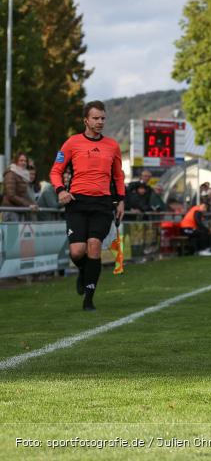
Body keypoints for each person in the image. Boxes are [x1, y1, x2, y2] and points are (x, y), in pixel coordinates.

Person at [49, 101, 126, 311]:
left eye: (103, 118)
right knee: (77, 251)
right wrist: (60, 190)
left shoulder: (112, 146)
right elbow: (55, 171)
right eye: (95, 118)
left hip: (102, 204)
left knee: (93, 247)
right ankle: (83, 272)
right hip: (77, 203)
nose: (100, 122)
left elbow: (119, 176)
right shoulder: (72, 143)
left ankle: (89, 300)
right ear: (86, 120)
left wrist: (121, 200)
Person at [2, 152, 38, 221]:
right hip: (11, 211)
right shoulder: (11, 174)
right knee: (12, 232)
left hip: (19, 210)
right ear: (16, 161)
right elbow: (11, 195)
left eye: (25, 161)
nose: (24, 163)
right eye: (21, 160)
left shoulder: (23, 175)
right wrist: (28, 205)